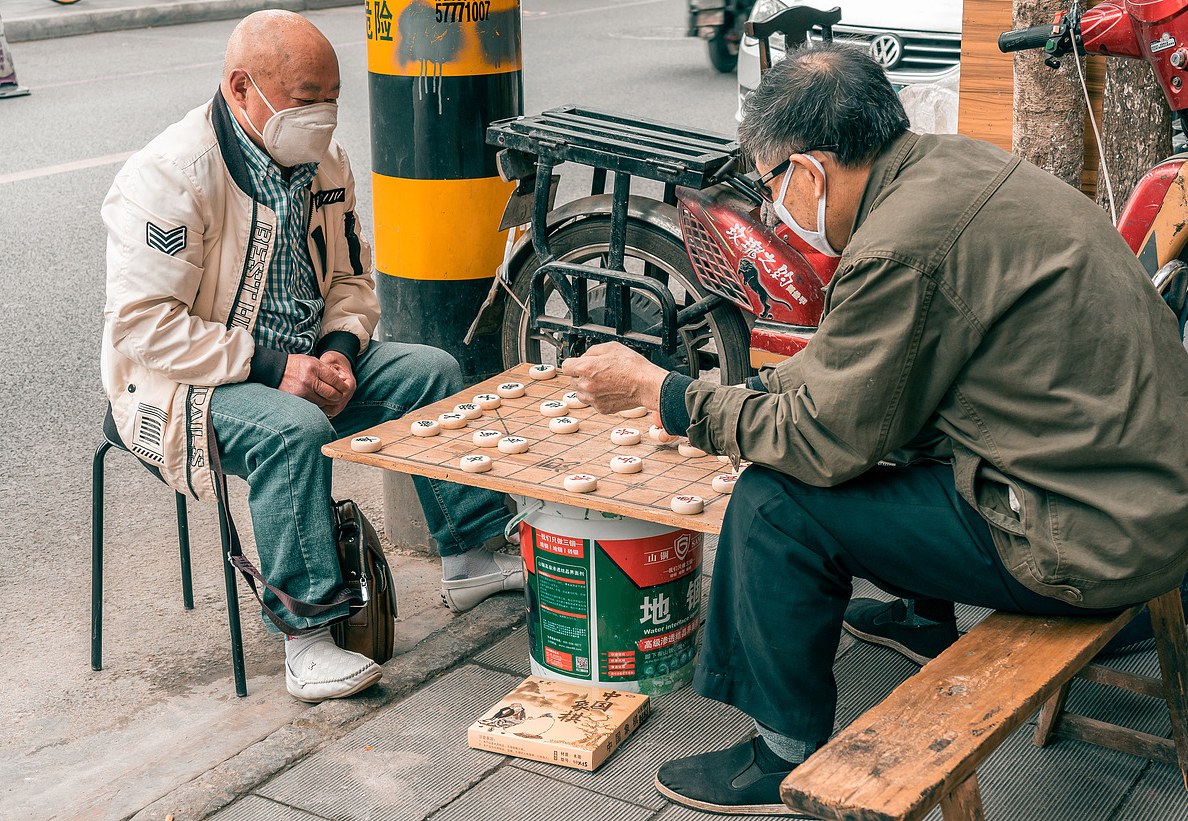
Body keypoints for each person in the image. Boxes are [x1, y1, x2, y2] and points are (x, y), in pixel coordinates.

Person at [562, 42, 1188, 814]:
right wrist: (757, 392)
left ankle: (780, 751)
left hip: (1084, 544)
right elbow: (865, 376)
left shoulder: (899, 245)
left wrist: (669, 395)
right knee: (898, 424)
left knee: (775, 503)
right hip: (1145, 500)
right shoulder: (955, 169)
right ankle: (926, 618)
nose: (774, 206)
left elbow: (821, 439)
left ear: (812, 171)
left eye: (771, 184)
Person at [101, 10, 521, 704]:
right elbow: (143, 328)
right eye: (305, 97)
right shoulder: (172, 176)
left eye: (332, 96)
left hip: (303, 360)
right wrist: (275, 369)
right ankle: (308, 638)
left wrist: (337, 351)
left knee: (435, 374)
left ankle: (471, 556)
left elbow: (354, 281)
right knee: (292, 430)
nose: (324, 114)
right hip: (187, 385)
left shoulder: (325, 160)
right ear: (242, 88)